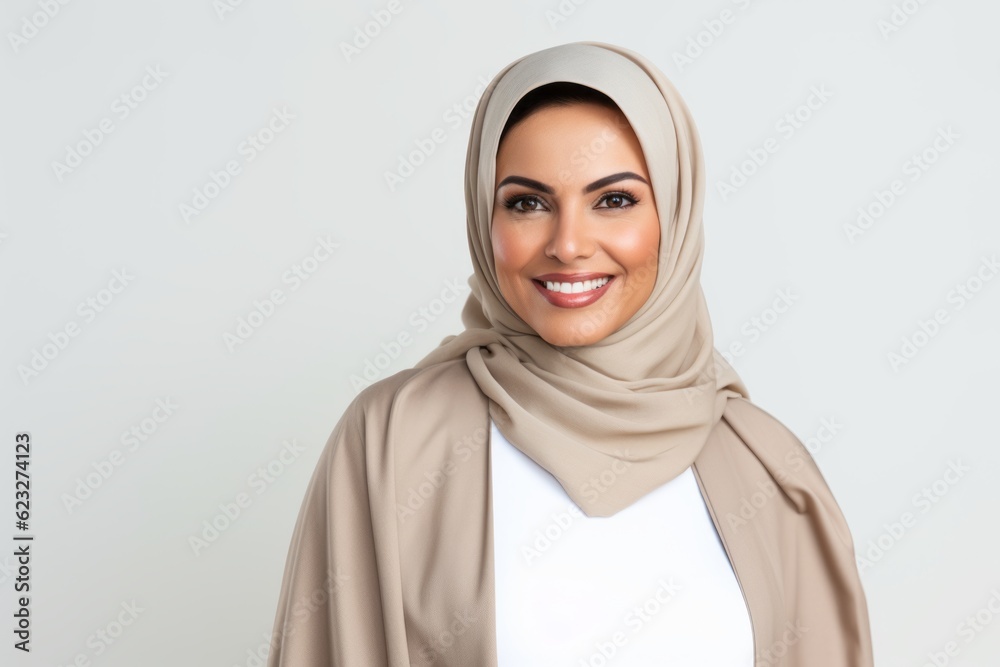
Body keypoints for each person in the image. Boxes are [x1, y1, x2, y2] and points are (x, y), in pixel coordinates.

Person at [266, 41, 874, 666]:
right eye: (527, 203)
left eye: (614, 200)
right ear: (485, 219)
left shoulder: (768, 468)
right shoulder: (394, 438)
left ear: (676, 213)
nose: (569, 244)